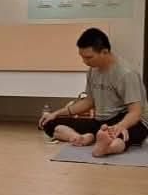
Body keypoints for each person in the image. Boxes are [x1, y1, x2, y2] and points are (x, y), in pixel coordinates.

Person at [39, 27, 148, 157]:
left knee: (121, 136)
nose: (85, 62)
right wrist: (56, 113)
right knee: (49, 123)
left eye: (89, 57)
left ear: (104, 52)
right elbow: (88, 102)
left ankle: (106, 148)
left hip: (129, 120)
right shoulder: (93, 70)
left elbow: (135, 112)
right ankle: (80, 138)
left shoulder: (127, 74)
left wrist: (120, 126)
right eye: (82, 57)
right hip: (101, 121)